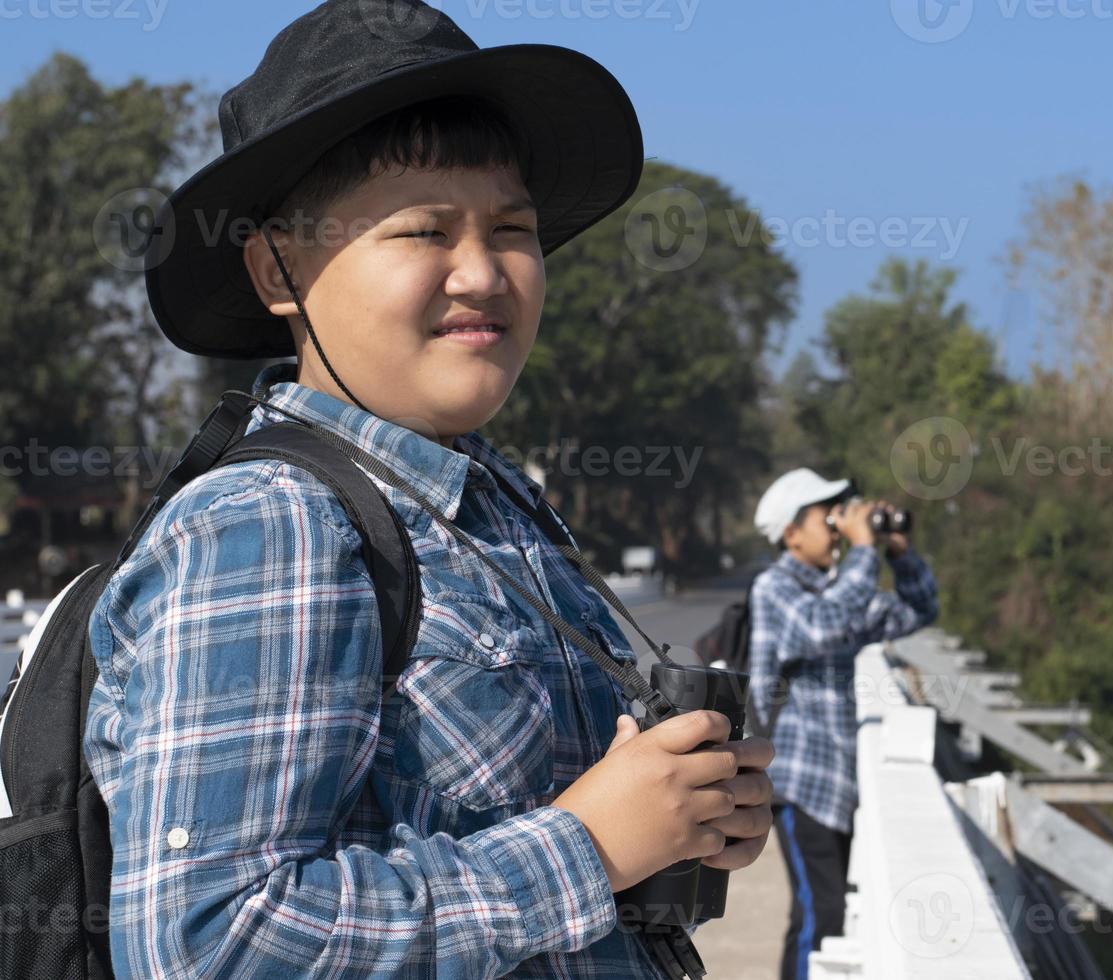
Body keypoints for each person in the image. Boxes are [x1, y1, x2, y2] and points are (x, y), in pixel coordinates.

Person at [82, 2, 773, 976]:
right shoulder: (271, 525)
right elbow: (208, 942)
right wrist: (587, 846)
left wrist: (677, 821)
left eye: (512, 228)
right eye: (423, 230)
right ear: (278, 266)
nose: (484, 272)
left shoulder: (502, 510)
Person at [748, 468, 940, 980]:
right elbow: (821, 625)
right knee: (820, 916)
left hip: (838, 784)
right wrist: (861, 551)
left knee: (822, 914)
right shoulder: (775, 589)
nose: (837, 527)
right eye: (826, 516)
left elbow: (920, 609)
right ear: (791, 534)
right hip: (799, 782)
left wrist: (897, 552)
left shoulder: (842, 590)